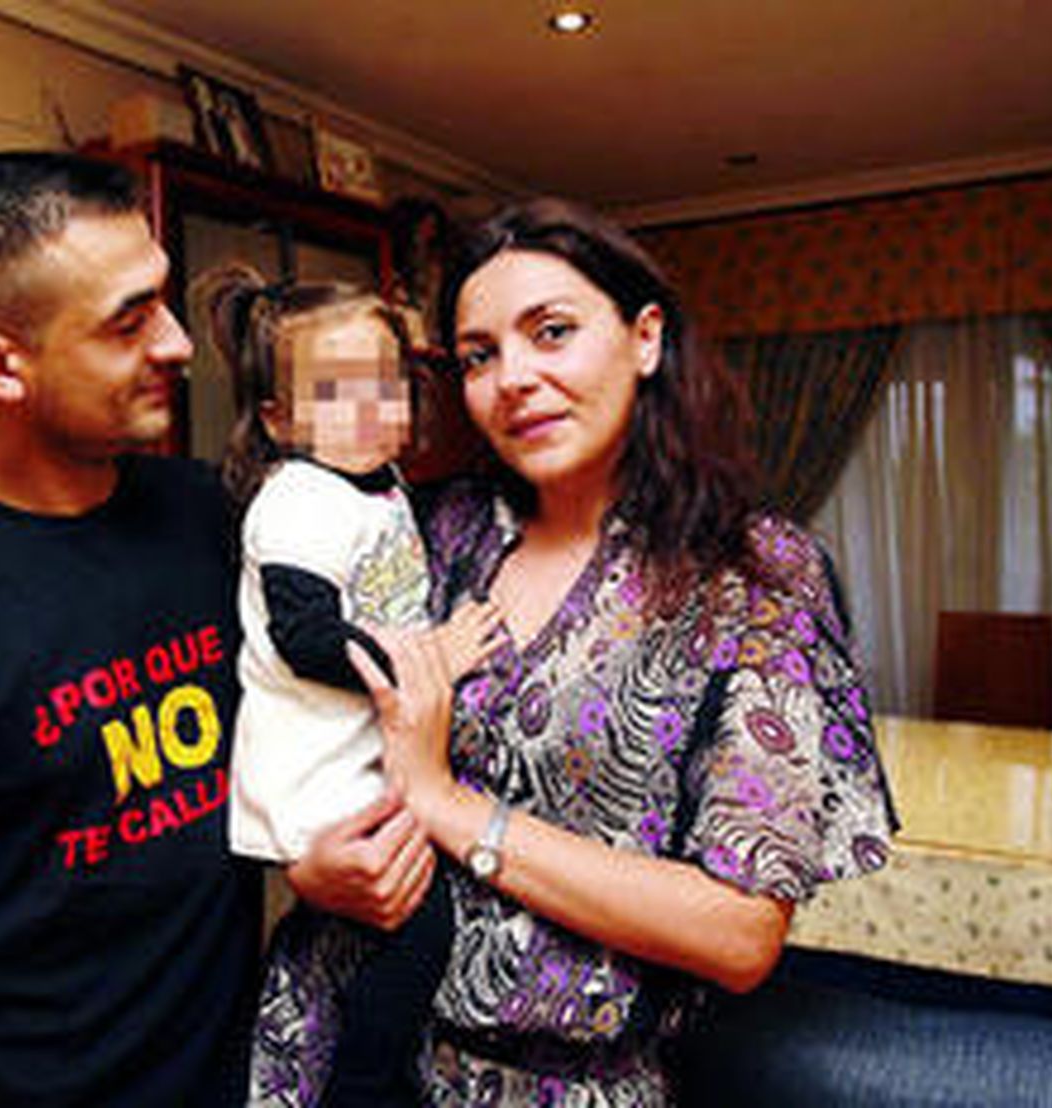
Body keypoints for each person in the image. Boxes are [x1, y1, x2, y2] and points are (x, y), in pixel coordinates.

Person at [0, 150, 426, 1106]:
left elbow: (284, 737)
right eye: (128, 322)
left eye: (166, 303)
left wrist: (307, 860)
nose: (179, 343)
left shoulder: (217, 519)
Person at [249, 198, 899, 1105]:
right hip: (328, 1036)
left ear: (644, 338)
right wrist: (308, 868)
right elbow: (298, 713)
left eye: (551, 332)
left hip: (555, 1084)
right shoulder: (428, 532)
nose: (512, 377)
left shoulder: (753, 578)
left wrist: (446, 806)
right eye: (479, 354)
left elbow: (739, 933)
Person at [205, 267, 496, 1106]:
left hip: (361, 755)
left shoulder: (380, 484)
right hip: (315, 771)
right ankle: (366, 1085)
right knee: (417, 927)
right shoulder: (295, 499)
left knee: (387, 936)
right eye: (337, 395)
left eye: (385, 386)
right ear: (280, 419)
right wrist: (434, 654)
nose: (369, 410)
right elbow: (307, 638)